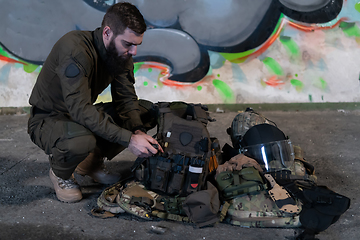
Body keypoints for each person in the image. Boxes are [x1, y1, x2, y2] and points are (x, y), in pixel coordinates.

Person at [27, 2, 163, 203]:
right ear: (107, 32)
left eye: (137, 45)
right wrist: (129, 140)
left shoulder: (120, 54)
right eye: (128, 44)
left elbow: (125, 99)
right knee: (81, 141)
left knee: (145, 112)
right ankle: (60, 173)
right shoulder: (75, 50)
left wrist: (137, 131)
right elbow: (80, 109)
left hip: (78, 116)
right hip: (48, 119)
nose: (133, 51)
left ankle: (89, 163)